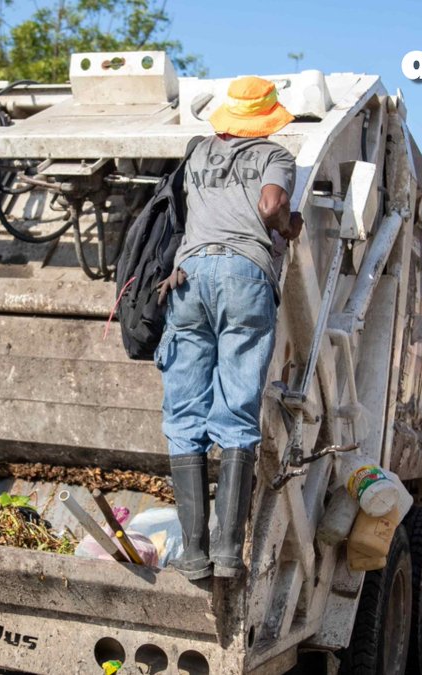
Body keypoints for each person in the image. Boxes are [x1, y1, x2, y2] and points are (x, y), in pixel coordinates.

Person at [157, 76, 303, 580]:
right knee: (236, 408)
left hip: (189, 277)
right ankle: (225, 552)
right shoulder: (276, 155)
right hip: (245, 275)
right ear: (267, 117)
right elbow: (269, 205)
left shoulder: (197, 151)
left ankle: (193, 553)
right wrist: (289, 224)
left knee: (184, 412)